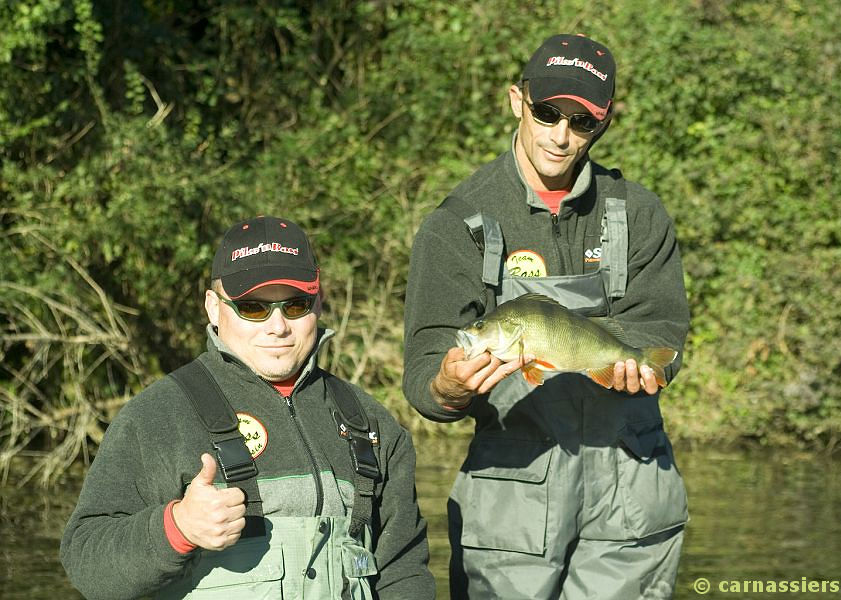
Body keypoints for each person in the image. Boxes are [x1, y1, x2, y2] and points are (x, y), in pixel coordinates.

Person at [403, 34, 690, 599]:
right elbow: (424, 372)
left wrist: (645, 364)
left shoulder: (639, 211)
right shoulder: (456, 223)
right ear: (518, 100)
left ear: (604, 123)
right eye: (547, 113)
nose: (561, 135)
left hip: (630, 492)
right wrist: (448, 385)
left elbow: (662, 332)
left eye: (582, 122)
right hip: (512, 501)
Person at [61, 215, 435, 599]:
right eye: (253, 308)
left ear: (318, 303)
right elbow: (86, 560)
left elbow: (403, 570)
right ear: (212, 307)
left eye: (295, 306)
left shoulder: (373, 423)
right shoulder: (156, 417)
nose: (277, 327)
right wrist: (178, 528)